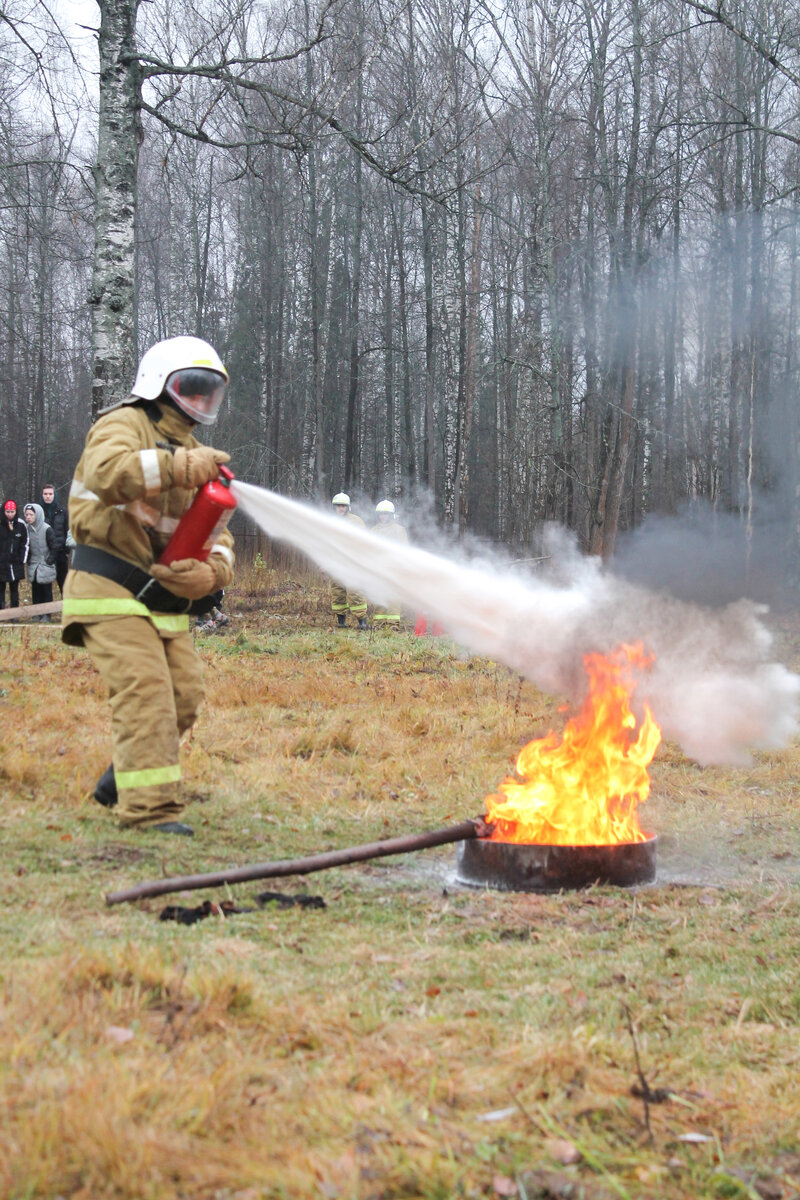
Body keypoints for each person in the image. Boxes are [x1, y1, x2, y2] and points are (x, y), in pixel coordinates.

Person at [61, 335, 235, 836]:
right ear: (159, 383)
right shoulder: (121, 424)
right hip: (107, 584)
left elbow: (219, 537)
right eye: (193, 388)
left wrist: (213, 574)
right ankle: (150, 812)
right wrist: (177, 467)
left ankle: (123, 778)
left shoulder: (200, 454)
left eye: (212, 392)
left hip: (160, 599)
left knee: (184, 696)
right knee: (147, 691)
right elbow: (106, 471)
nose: (202, 402)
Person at [330, 492, 368, 629]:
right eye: (338, 506)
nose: (341, 508)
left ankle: (362, 621)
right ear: (334, 507)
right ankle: (341, 622)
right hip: (336, 563)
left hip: (352, 563)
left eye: (343, 506)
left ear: (348, 507)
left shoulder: (356, 521)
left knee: (355, 591)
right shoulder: (329, 522)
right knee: (338, 592)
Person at [372, 500, 409, 625]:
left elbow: (404, 549)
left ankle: (393, 623)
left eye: (386, 514)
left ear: (391, 515)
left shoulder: (399, 530)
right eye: (381, 514)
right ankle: (379, 622)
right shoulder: (374, 530)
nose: (383, 516)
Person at [24, 504, 57, 620]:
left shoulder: (46, 529)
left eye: (31, 515)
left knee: (46, 590)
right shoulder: (26, 529)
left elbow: (54, 547)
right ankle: (36, 613)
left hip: (45, 564)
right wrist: (27, 560)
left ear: (37, 515)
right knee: (36, 590)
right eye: (27, 515)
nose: (28, 517)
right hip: (34, 564)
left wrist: (49, 561)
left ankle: (47, 614)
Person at [40, 484, 70, 595]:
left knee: (64, 584)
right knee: (45, 586)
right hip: (45, 553)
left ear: (54, 495)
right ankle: (45, 611)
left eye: (50, 494)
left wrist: (66, 550)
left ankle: (68, 609)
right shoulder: (38, 512)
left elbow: (67, 531)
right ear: (42, 495)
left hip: (61, 552)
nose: (48, 496)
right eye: (45, 494)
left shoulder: (63, 511)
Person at [0, 499, 29, 613]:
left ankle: (15, 613)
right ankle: (1, 613)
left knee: (14, 589)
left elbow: (25, 543)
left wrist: (22, 559)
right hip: (2, 563)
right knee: (1, 589)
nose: (10, 514)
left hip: (15, 563)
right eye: (8, 512)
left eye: (12, 512)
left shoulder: (21, 525)